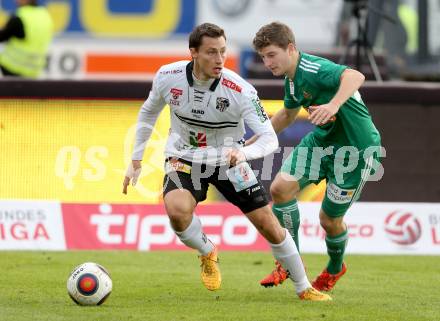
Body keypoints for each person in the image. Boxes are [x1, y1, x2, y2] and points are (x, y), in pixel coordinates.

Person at [122, 22, 331, 301]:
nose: (219, 59)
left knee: (267, 223)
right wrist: (136, 159)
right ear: (193, 53)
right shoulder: (168, 76)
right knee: (176, 210)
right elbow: (148, 113)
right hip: (184, 156)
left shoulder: (240, 90)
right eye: (211, 52)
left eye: (222, 51)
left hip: (229, 160)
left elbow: (269, 139)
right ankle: (207, 250)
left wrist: (243, 153)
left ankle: (304, 287)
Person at [251, 22, 382, 291]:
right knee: (280, 189)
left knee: (329, 220)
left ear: (290, 48)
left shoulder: (314, 69)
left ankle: (336, 267)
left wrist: (333, 104)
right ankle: (290, 264)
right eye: (263, 57)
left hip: (355, 150)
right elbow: (287, 115)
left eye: (271, 55)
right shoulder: (291, 79)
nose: (267, 63)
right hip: (322, 142)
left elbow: (356, 76)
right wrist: (254, 142)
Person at [0, 0, 53, 78]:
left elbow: (3, 36)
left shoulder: (21, 16)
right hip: (33, 71)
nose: (16, 1)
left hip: (12, 68)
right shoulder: (45, 15)